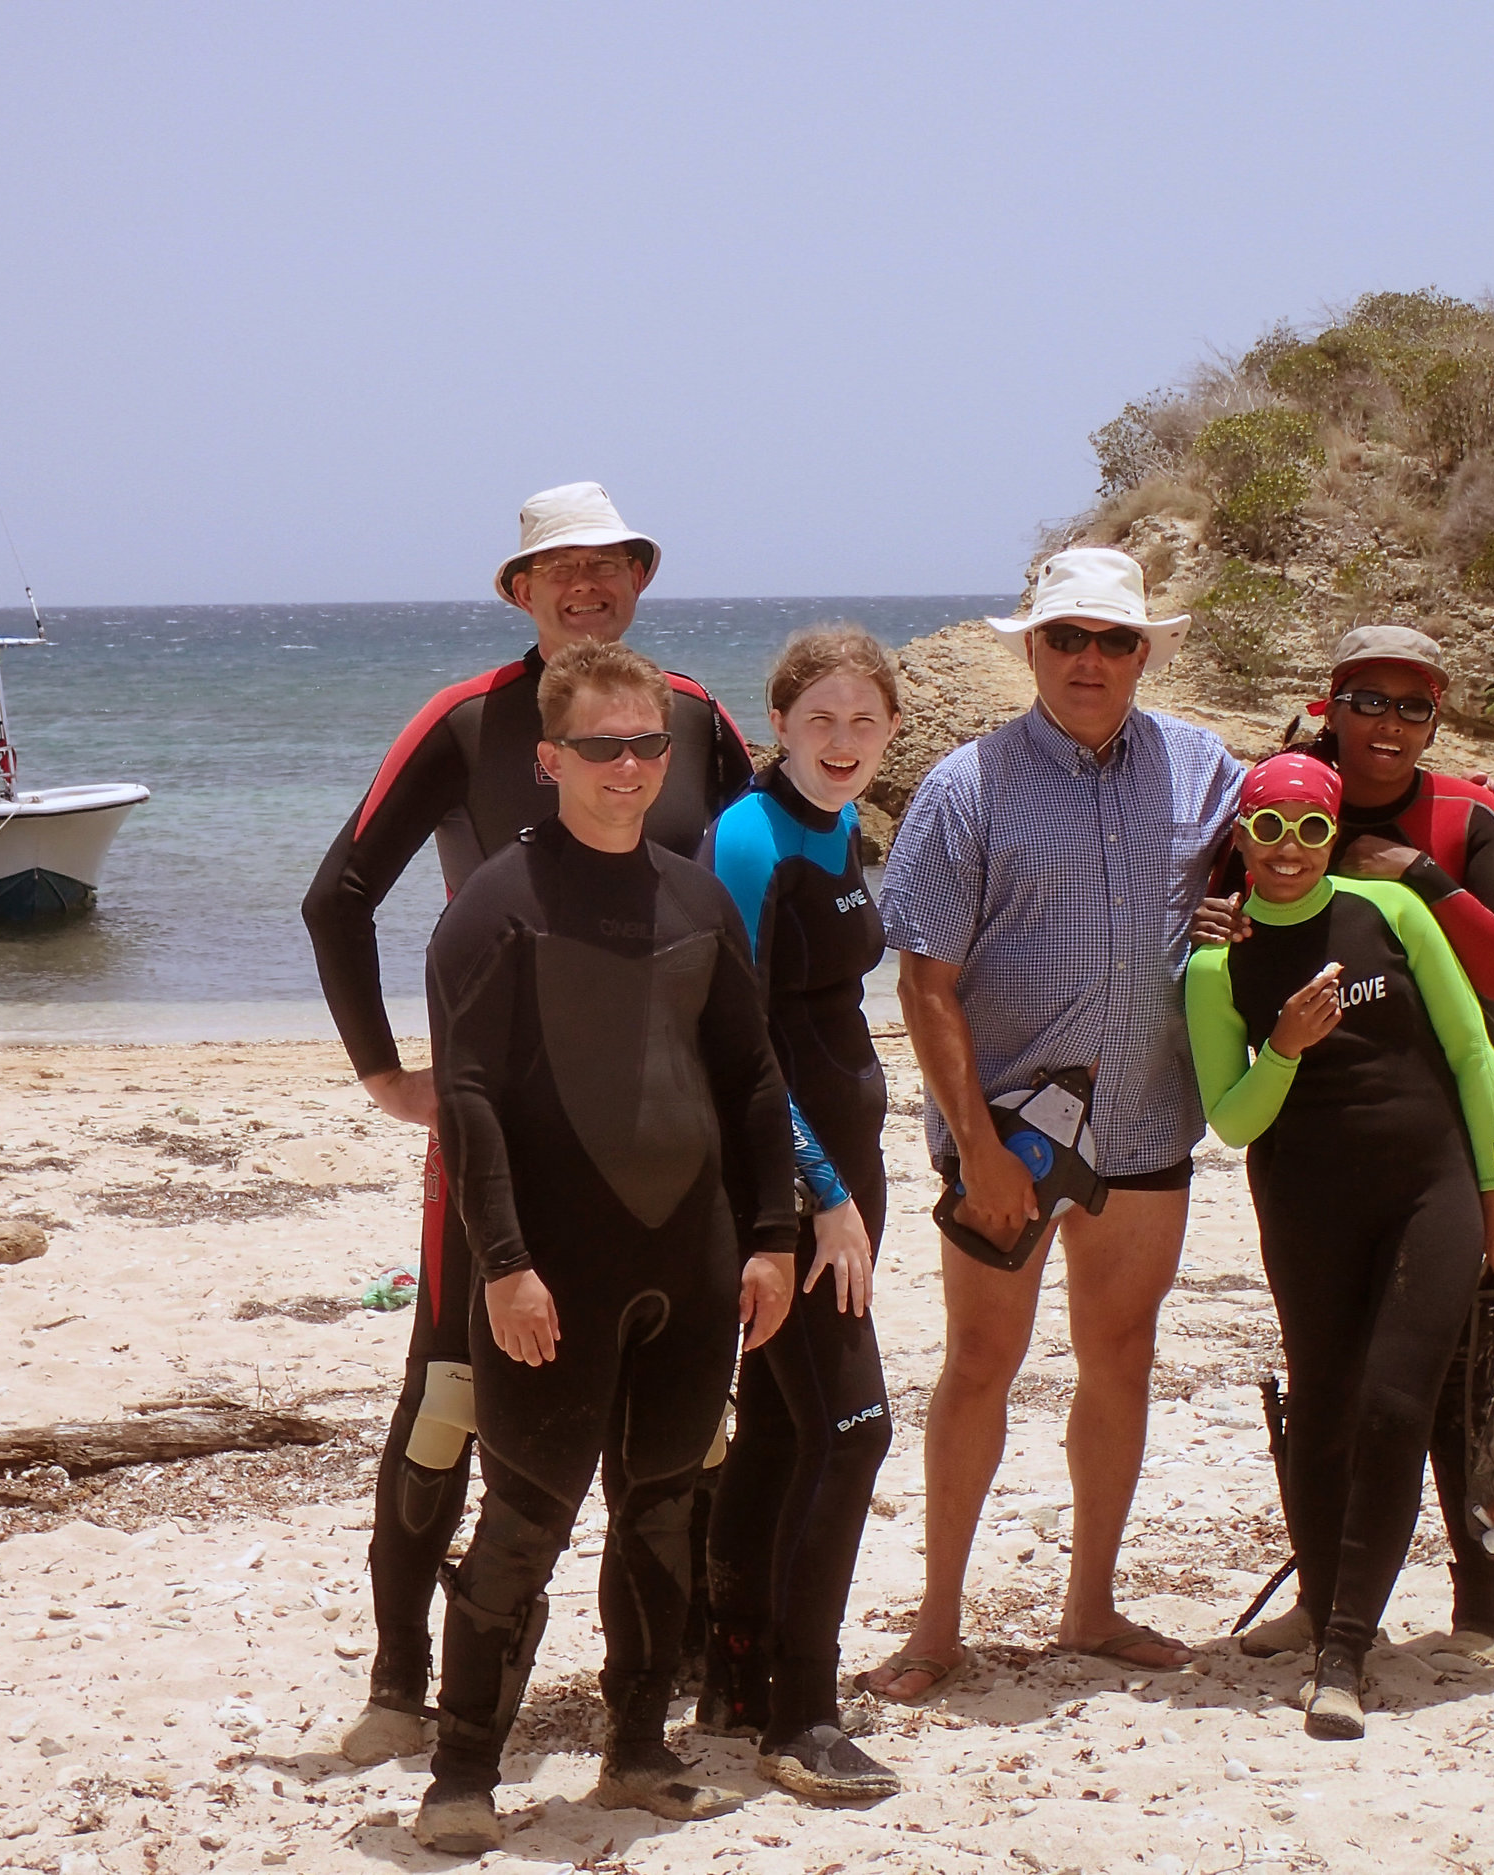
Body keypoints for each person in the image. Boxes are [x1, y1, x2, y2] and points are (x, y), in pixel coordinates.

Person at [300, 483, 756, 1764]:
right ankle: (400, 1683)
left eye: (608, 566)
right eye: (559, 569)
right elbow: (337, 898)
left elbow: (753, 884)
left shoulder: (691, 721)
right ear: (519, 591)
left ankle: (689, 1679)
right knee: (447, 1395)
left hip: (666, 1143)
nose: (585, 585)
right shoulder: (466, 723)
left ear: (638, 581)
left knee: (682, 1422)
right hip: (501, 1144)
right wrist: (390, 1074)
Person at [411, 641, 798, 1853]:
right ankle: (463, 1771)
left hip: (689, 1266)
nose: (627, 767)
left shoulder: (694, 897)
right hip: (550, 1276)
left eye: (646, 745)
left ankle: (636, 1753)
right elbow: (466, 1104)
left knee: (661, 1514)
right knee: (524, 1524)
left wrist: (774, 1238)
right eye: (599, 746)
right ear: (547, 759)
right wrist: (506, 1263)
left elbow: (748, 1077)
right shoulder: (494, 911)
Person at [860, 545, 1246, 1701]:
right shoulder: (965, 785)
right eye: (1065, 638)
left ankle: (1090, 1604)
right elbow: (922, 983)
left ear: (1144, 653)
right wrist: (973, 1145)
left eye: (1112, 639)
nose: (1088, 660)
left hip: (1145, 1125)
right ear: (1030, 649)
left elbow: (1305, 834)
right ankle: (936, 1624)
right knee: (981, 1361)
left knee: (1120, 1356)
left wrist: (1480, 811)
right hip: (1009, 1134)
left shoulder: (1202, 768)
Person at [1200, 624, 1494, 1669]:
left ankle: (1483, 1603)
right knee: (1332, 1382)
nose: (1389, 725)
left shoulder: (1468, 813)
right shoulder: (1280, 807)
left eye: (1413, 706)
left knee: (1460, 1376)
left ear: (1436, 719)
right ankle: (1326, 1599)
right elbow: (1224, 941)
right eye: (1369, 701)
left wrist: (1420, 880)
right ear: (1330, 705)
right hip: (1315, 1147)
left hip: (1457, 1136)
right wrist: (1211, 925)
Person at [698, 627, 905, 1801]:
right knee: (852, 1427)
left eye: (862, 722)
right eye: (819, 719)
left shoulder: (840, 829)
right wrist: (818, 1198)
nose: (841, 741)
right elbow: (737, 1041)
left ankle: (741, 1680)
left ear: (887, 732)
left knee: (782, 1432)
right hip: (784, 1191)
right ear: (776, 722)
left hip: (842, 1179)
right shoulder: (747, 839)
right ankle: (802, 1716)